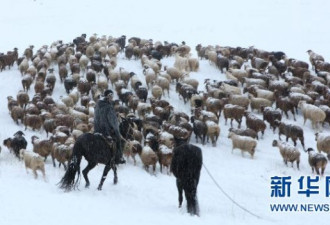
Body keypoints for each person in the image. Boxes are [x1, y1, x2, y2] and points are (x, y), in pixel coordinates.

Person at [94, 89, 126, 164]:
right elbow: (113, 121)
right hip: (106, 129)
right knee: (119, 139)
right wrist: (116, 129)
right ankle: (119, 157)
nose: (112, 98)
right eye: (111, 96)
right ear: (108, 96)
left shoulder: (98, 104)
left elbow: (96, 117)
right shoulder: (109, 107)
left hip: (97, 128)